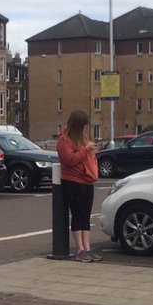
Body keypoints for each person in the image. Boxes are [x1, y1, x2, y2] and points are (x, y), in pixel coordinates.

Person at [56, 109, 100, 262]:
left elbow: (88, 157)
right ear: (76, 125)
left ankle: (87, 247)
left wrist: (91, 152)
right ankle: (79, 249)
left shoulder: (83, 137)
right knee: (77, 214)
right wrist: (85, 150)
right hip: (73, 180)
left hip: (87, 180)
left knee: (86, 215)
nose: (83, 129)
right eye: (82, 126)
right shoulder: (64, 140)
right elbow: (69, 160)